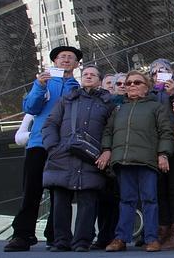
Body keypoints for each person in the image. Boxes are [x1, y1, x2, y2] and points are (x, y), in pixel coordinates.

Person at [4, 46, 82, 252]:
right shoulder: (44, 83)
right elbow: (30, 107)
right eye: (62, 57)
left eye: (70, 58)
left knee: (60, 193)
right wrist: (39, 86)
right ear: (55, 61)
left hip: (63, 146)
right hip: (38, 144)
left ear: (76, 64)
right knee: (31, 191)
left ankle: (55, 235)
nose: (66, 60)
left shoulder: (78, 88)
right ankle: (22, 234)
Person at [41, 65, 116, 252]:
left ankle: (82, 241)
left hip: (91, 158)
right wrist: (52, 147)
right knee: (60, 201)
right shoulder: (66, 100)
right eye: (85, 74)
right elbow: (50, 124)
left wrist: (106, 150)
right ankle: (61, 241)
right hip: (63, 156)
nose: (89, 77)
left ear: (99, 80)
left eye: (93, 74)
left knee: (88, 200)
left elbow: (112, 130)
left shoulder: (108, 103)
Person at [103, 70, 174, 252]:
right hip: (123, 161)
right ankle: (121, 238)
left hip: (147, 161)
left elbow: (166, 132)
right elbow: (108, 132)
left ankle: (151, 239)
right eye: (128, 83)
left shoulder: (156, 108)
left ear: (147, 88)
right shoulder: (118, 109)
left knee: (150, 199)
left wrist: (163, 154)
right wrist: (106, 150)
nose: (132, 86)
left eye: (137, 82)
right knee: (126, 201)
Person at [148, 59, 174, 250]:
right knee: (159, 191)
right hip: (154, 149)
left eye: (164, 70)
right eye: (155, 71)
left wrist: (173, 93)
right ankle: (162, 230)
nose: (160, 73)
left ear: (172, 71)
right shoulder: (150, 94)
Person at [91, 72, 126, 250]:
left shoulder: (128, 103)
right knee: (103, 199)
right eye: (112, 83)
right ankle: (104, 235)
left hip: (123, 155)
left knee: (121, 198)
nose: (116, 86)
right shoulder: (102, 105)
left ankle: (119, 236)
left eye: (120, 83)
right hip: (102, 155)